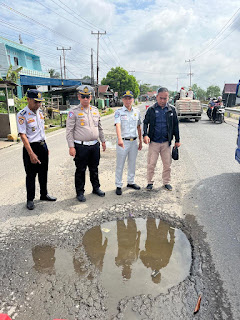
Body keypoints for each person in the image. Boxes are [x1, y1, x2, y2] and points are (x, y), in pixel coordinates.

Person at [17, 89, 57, 210]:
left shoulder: (39, 112)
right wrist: (31, 153)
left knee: (43, 172)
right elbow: (23, 135)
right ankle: (30, 199)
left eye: (39, 102)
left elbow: (41, 131)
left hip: (42, 146)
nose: (38, 104)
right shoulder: (22, 114)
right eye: (36, 102)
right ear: (28, 99)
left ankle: (44, 194)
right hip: (31, 147)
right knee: (31, 175)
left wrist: (45, 146)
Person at [66, 85, 106, 202]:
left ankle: (96, 188)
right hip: (80, 146)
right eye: (83, 96)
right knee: (80, 170)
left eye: (87, 96)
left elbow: (99, 127)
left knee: (94, 168)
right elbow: (69, 131)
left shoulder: (95, 110)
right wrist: (71, 147)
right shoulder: (73, 112)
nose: (85, 99)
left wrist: (103, 141)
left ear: (91, 97)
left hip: (94, 145)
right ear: (79, 97)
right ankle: (80, 192)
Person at [143, 87, 180, 191]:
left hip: (166, 143)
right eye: (161, 98)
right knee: (151, 164)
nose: (163, 101)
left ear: (168, 98)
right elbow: (145, 123)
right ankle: (150, 182)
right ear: (157, 97)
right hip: (154, 142)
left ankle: (166, 182)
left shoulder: (171, 110)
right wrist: (145, 135)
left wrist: (177, 140)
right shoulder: (151, 109)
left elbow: (176, 125)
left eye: (165, 98)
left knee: (167, 165)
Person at [114, 90, 142, 195]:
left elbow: (139, 126)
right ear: (122, 99)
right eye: (125, 98)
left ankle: (131, 182)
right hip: (123, 142)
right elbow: (118, 125)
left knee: (132, 163)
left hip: (134, 141)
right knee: (120, 164)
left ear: (133, 100)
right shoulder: (119, 112)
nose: (127, 100)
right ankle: (118, 185)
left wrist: (140, 140)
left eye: (129, 98)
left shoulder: (137, 112)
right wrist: (119, 138)